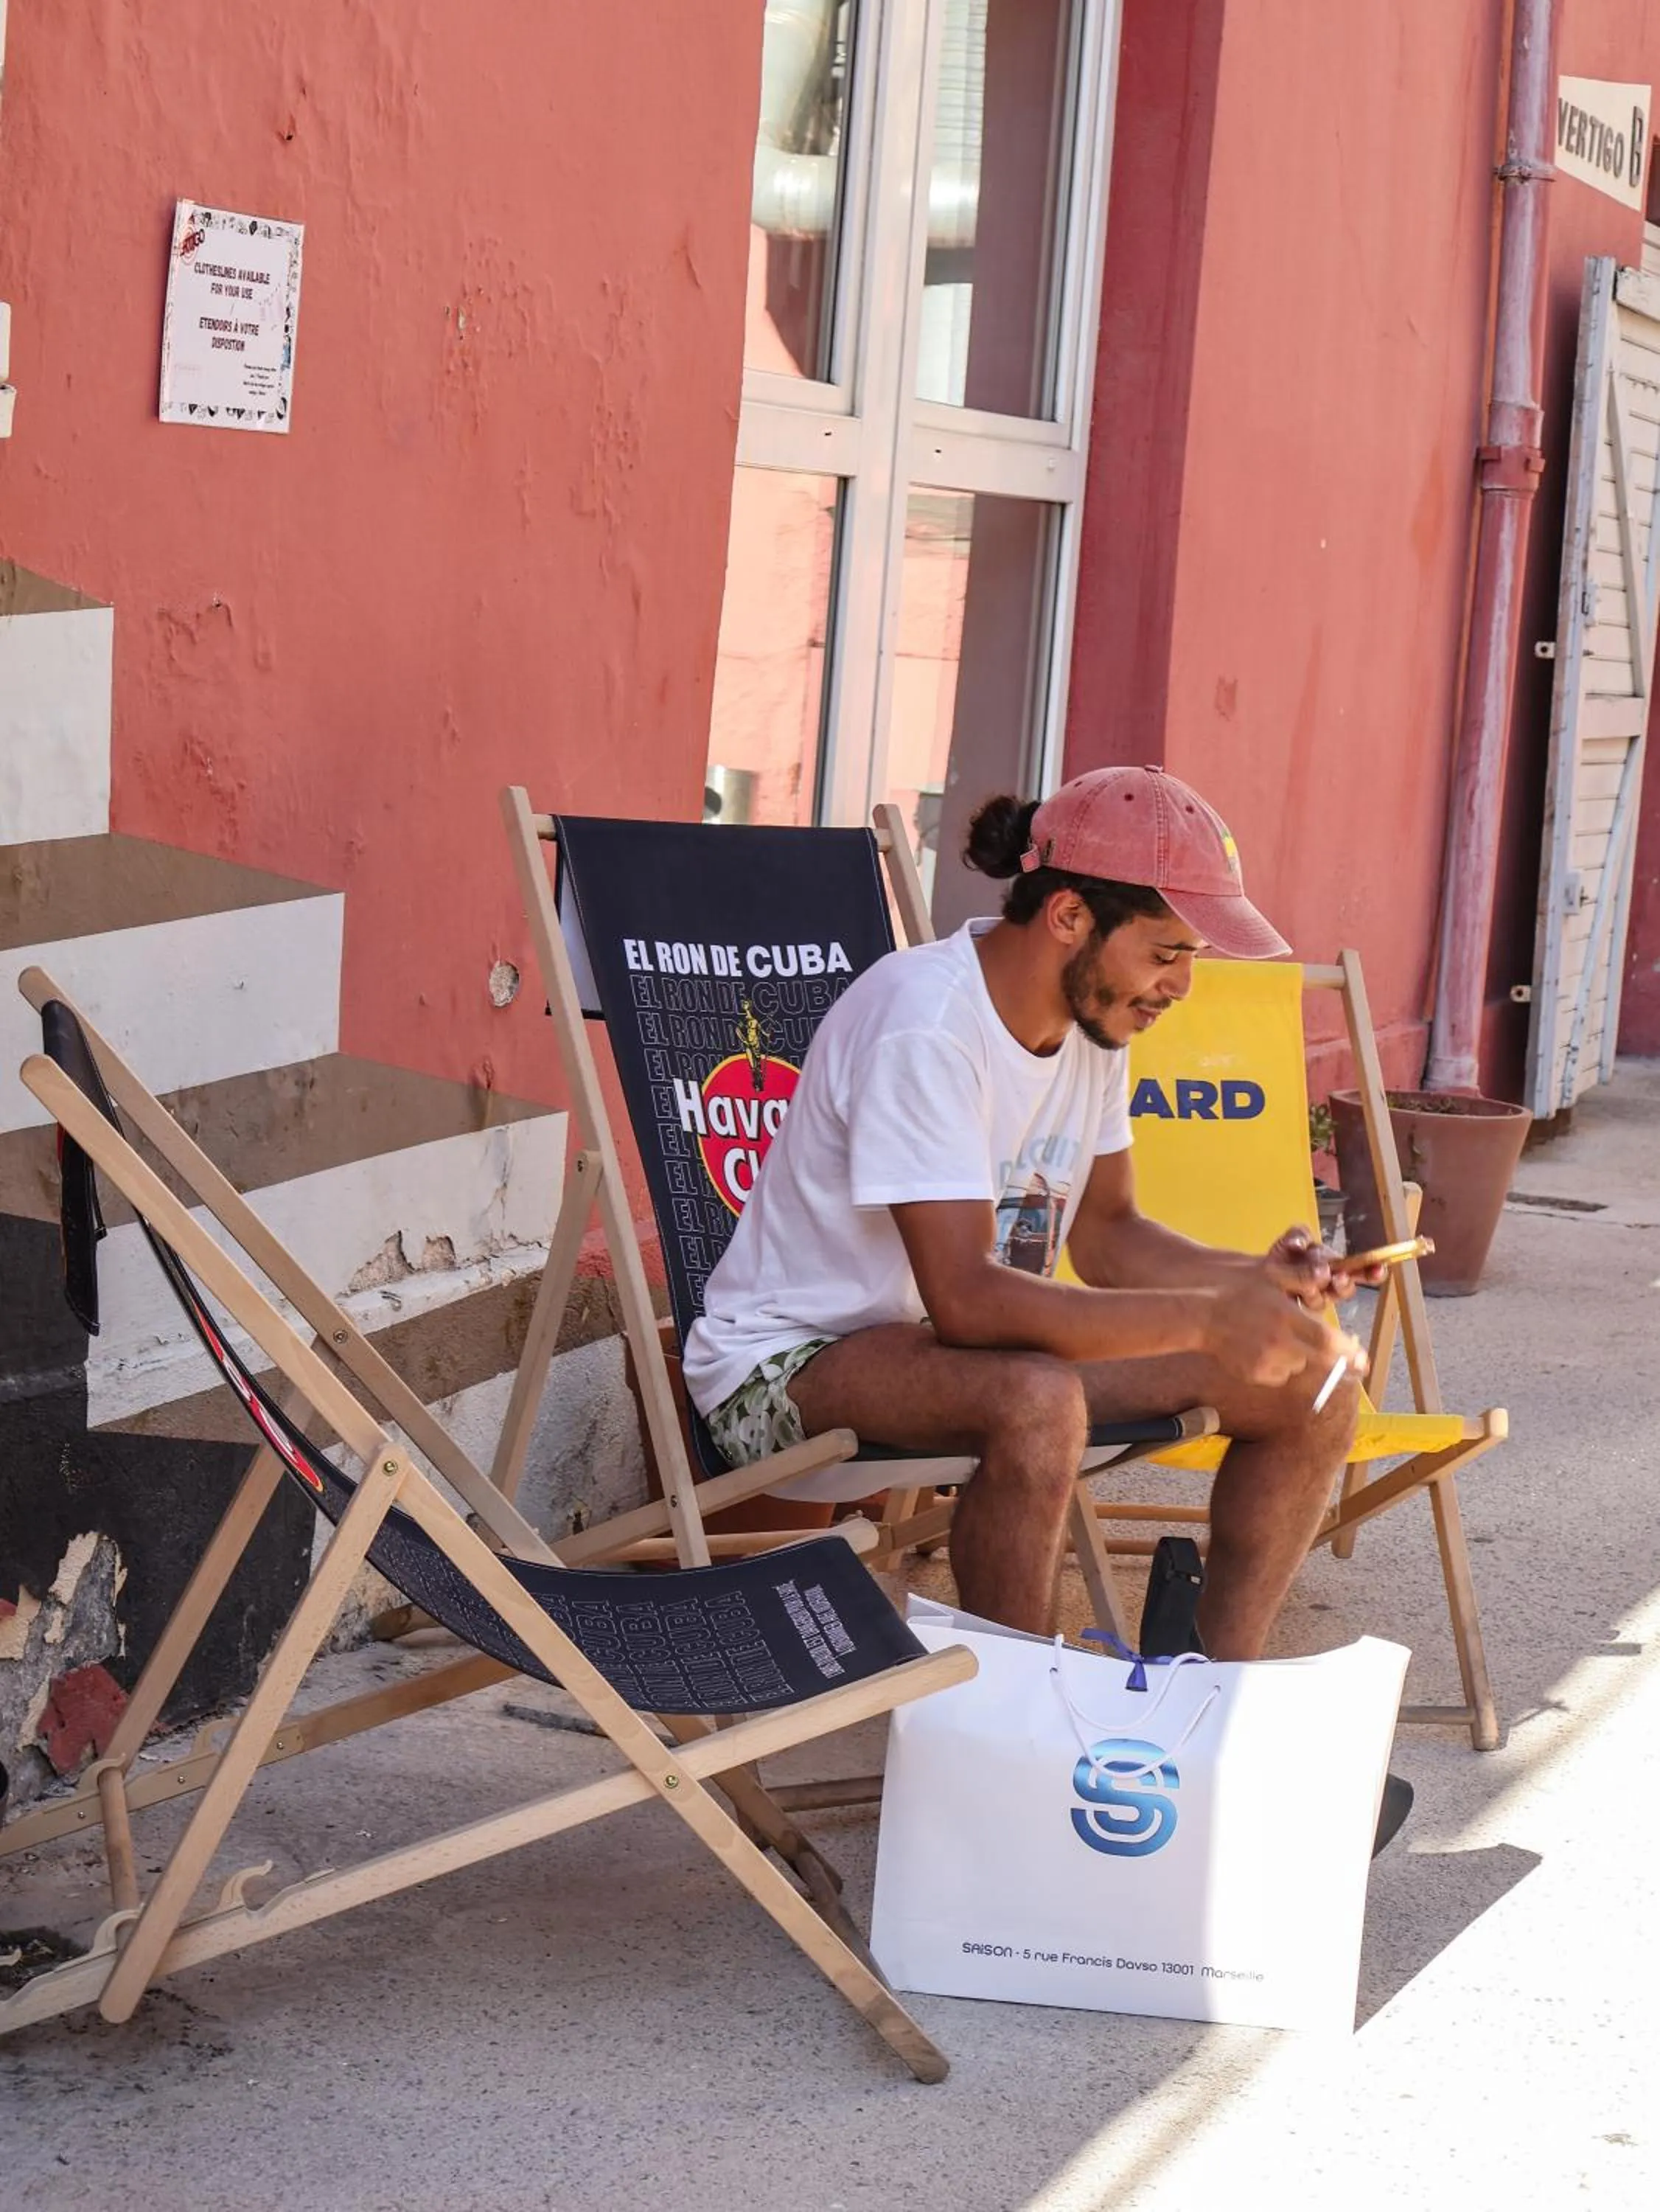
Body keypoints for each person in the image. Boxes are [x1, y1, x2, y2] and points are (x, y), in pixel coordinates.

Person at [681, 764, 1375, 1655]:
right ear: (1069, 917)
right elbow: (967, 1303)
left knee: (1311, 1386)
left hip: (976, 1356)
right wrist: (1209, 1320)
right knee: (1035, 1399)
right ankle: (1015, 1730)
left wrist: (1256, 1282)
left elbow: (1110, 1237)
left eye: (1187, 960)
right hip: (791, 1363)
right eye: (1165, 952)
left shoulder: (1092, 1021)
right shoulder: (926, 1024)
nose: (1178, 986)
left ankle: (1208, 1692)